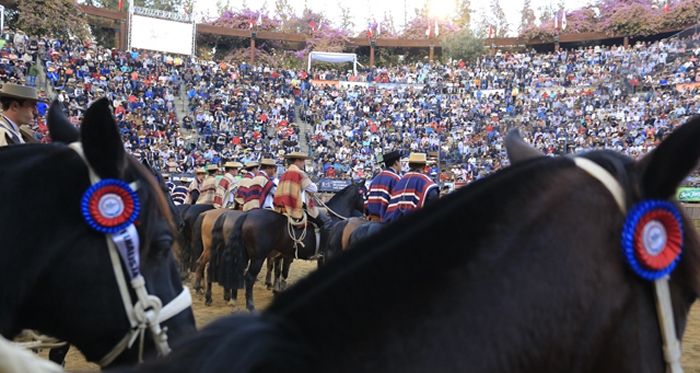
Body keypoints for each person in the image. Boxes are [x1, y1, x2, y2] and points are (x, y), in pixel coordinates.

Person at [274, 152, 332, 231]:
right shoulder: (299, 173)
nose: (304, 164)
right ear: (297, 161)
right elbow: (313, 189)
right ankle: (323, 243)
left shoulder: (285, 173)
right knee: (327, 222)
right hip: (298, 207)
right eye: (303, 161)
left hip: (283, 207)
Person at [384, 152, 439, 223]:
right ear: (424, 166)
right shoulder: (426, 181)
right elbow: (433, 197)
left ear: (409, 165)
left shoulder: (400, 180)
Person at [364, 150, 402, 222]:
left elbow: (366, 201)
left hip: (371, 219)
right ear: (396, 163)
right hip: (386, 221)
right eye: (400, 162)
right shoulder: (396, 179)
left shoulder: (375, 178)